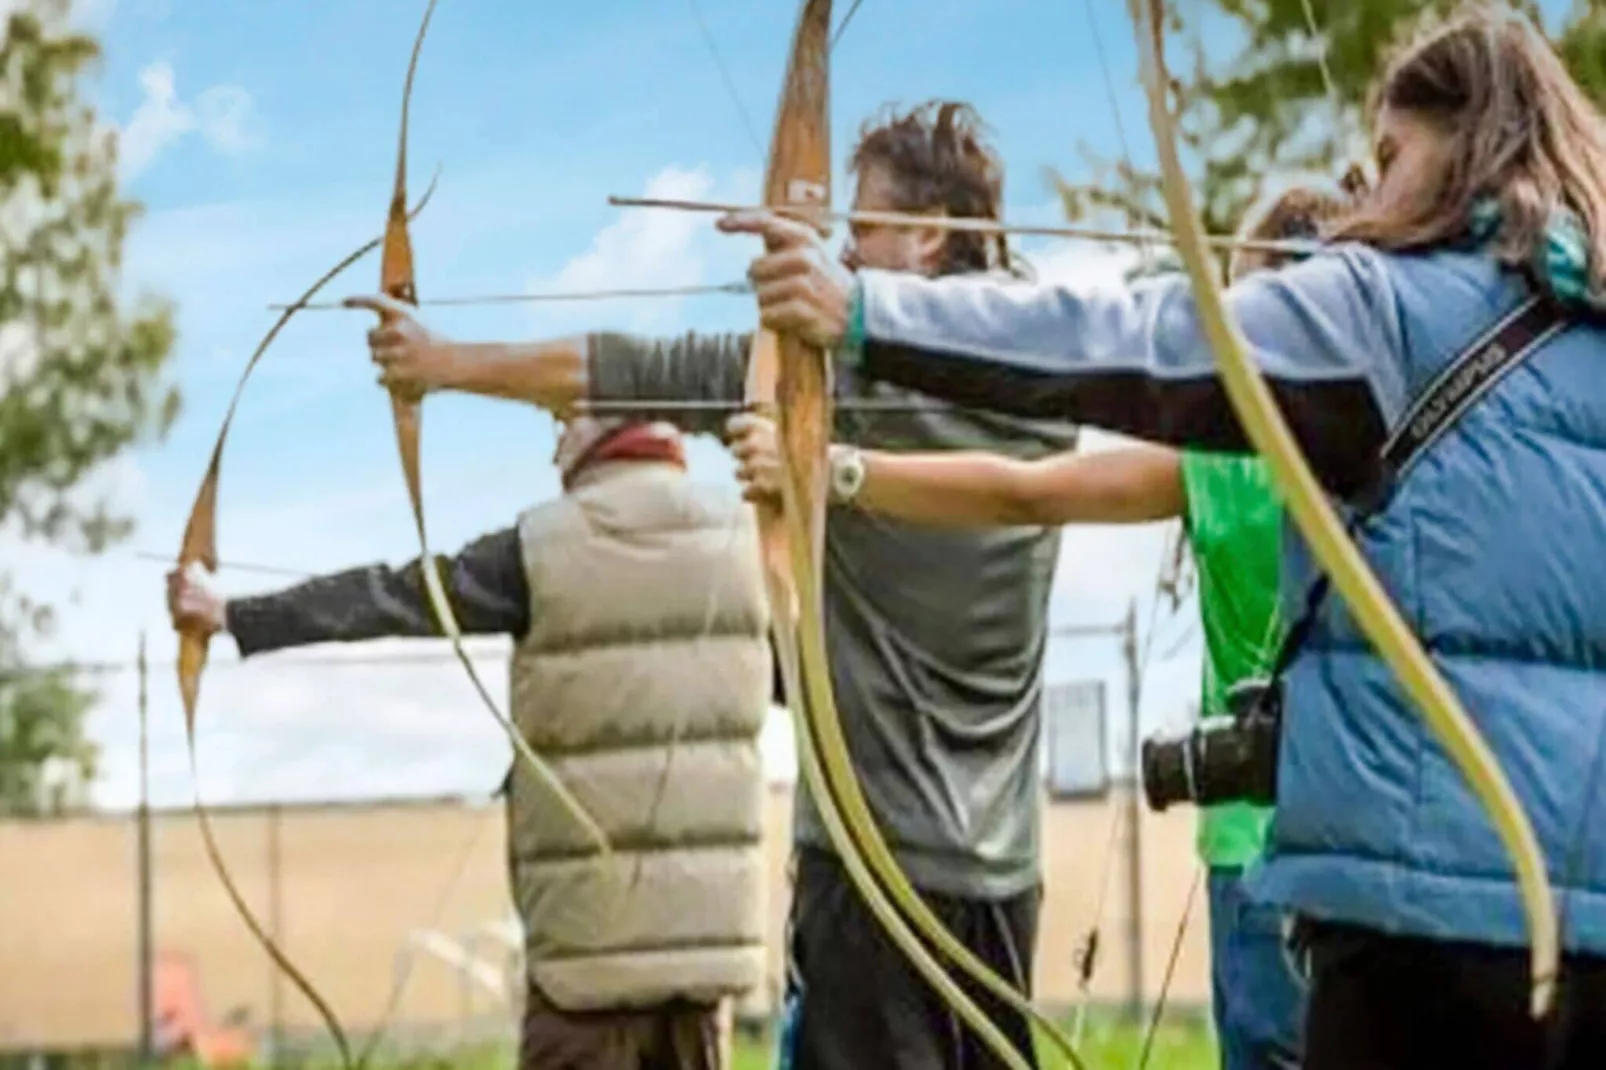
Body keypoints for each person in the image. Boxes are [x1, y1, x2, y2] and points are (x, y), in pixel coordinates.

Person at [721, 8, 1606, 1068]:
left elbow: (1136, 339)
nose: (1368, 195)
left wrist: (864, 311)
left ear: (1463, 151)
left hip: (1417, 920)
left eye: (1389, 158)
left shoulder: (1380, 307)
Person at [346, 101, 1079, 1070]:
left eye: (859, 233)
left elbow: (631, 368)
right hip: (1003, 871)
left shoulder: (845, 385)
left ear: (931, 232)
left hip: (870, 871)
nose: (844, 259)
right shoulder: (1055, 378)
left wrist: (442, 362)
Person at [727, 185, 1346, 1070]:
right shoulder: (1403, 444)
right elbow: (1024, 489)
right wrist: (828, 468)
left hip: (1256, 846)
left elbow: (1027, 493)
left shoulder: (1226, 458)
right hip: (1374, 851)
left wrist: (835, 471)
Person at [167, 416, 772, 1070]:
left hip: (584, 977)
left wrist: (232, 613)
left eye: (566, 420)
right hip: (705, 981)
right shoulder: (747, 545)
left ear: (606, 422)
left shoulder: (545, 546)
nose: (555, 443)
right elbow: (815, 689)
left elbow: (393, 596)